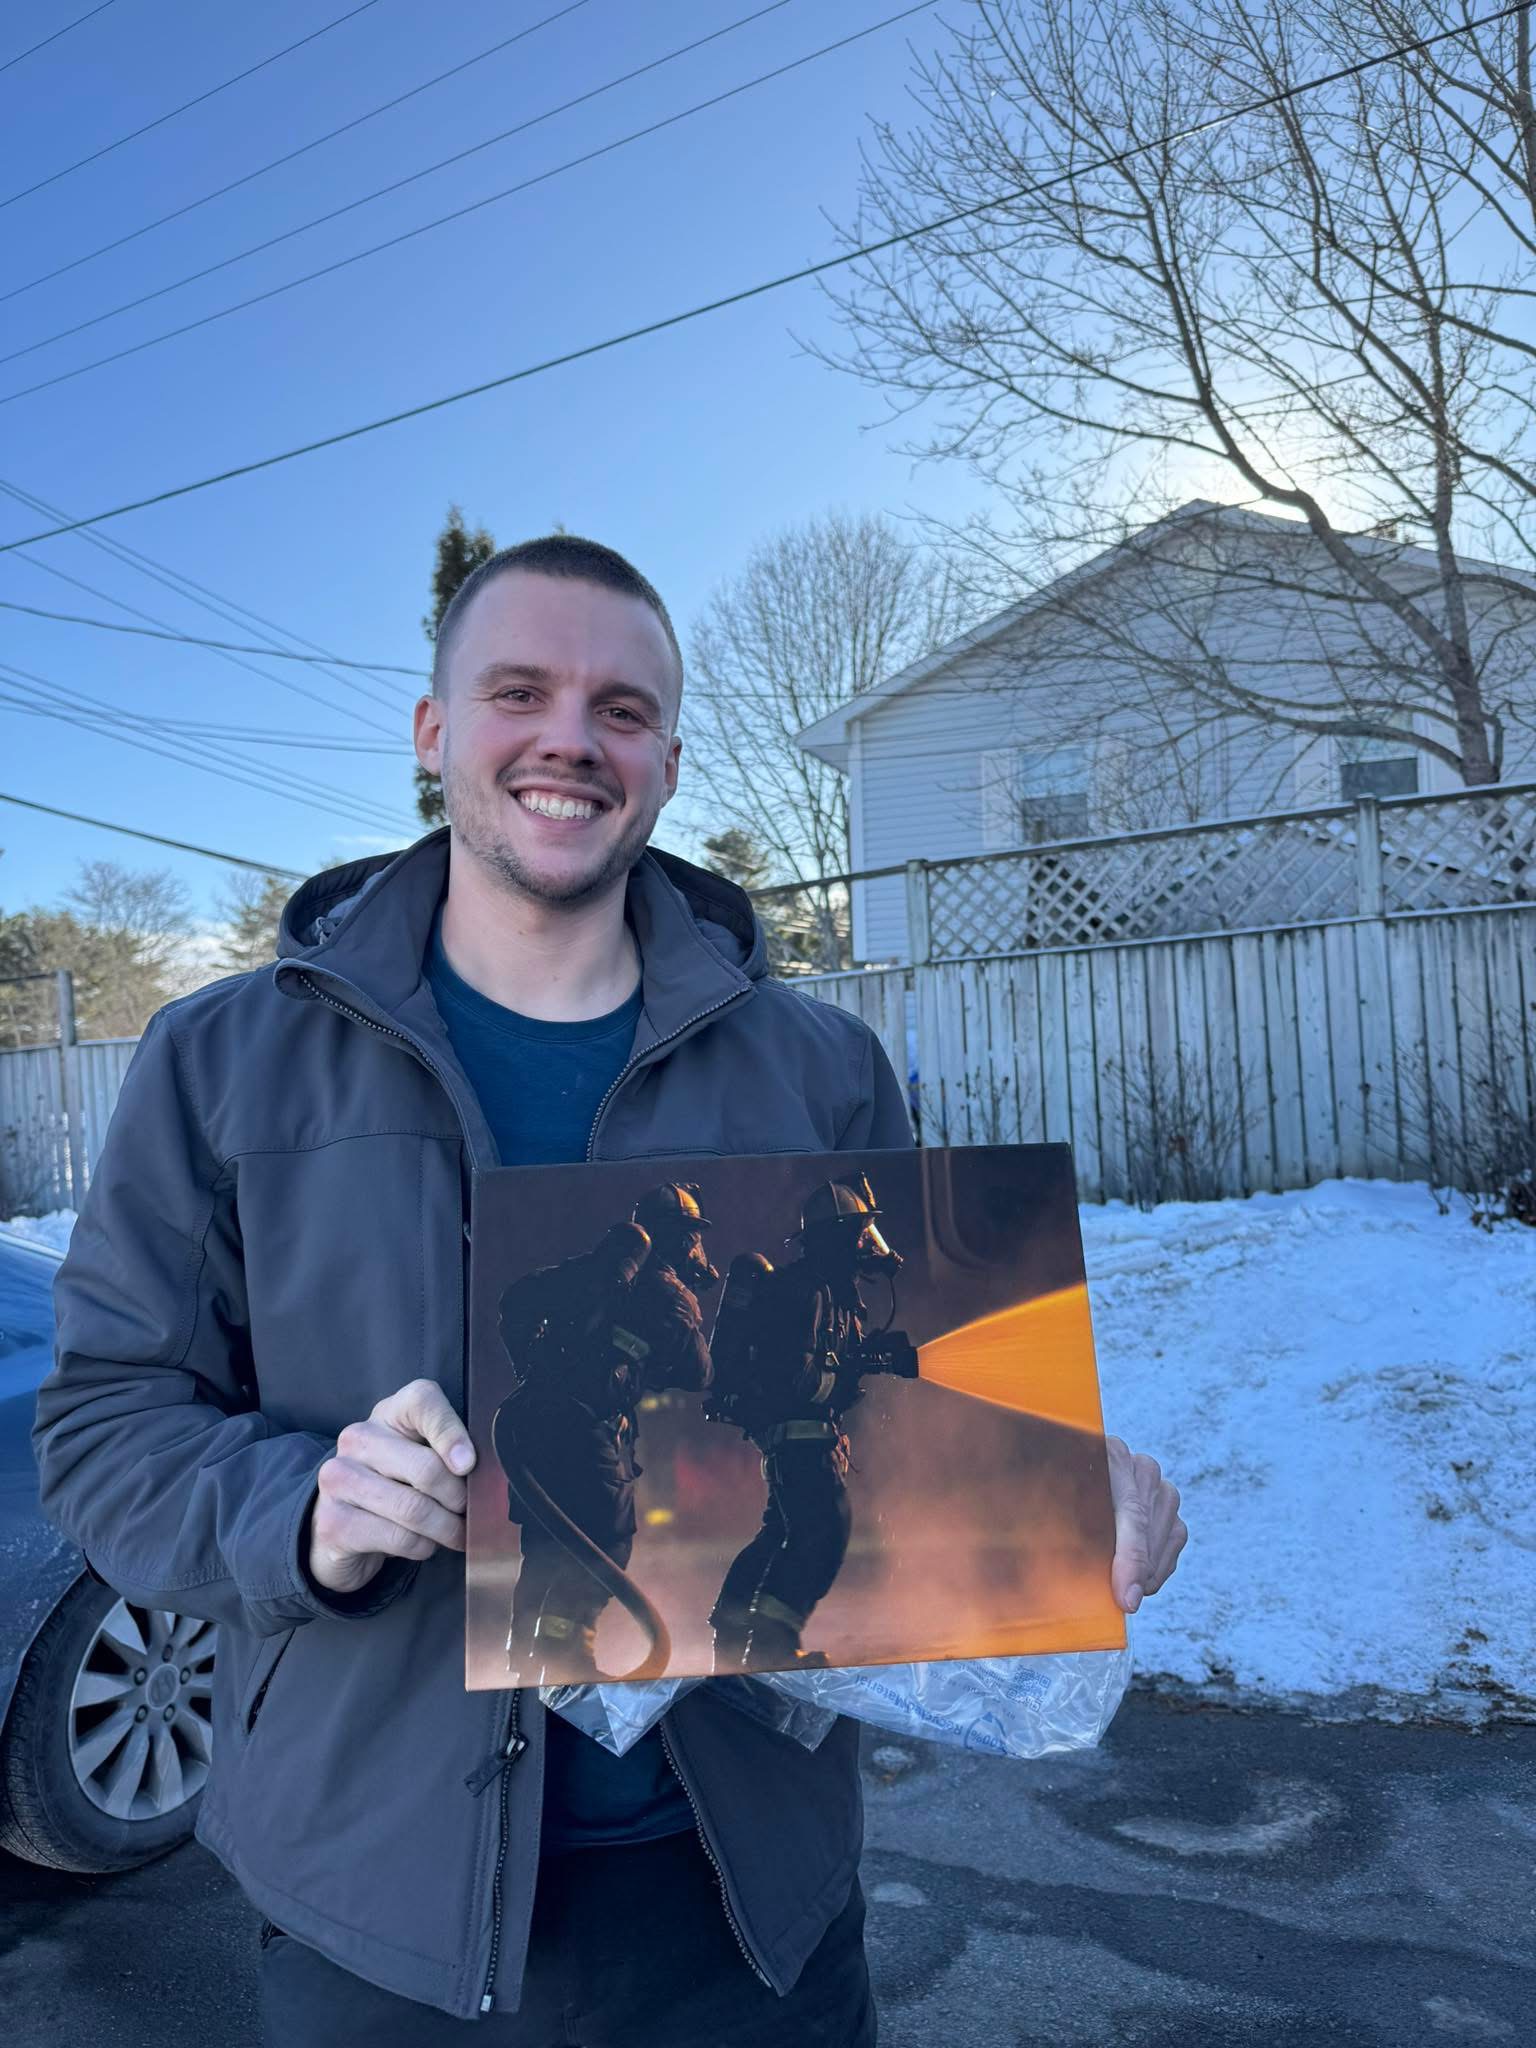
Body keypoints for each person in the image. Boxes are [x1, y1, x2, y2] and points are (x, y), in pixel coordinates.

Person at [34, 535, 1187, 2045]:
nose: (570, 738)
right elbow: (104, 1428)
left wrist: (1051, 1482)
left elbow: (893, 1398)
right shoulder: (224, 1059)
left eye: (622, 709)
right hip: (372, 1916)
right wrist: (301, 1510)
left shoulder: (818, 1066)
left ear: (668, 761)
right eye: (519, 691)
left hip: (745, 1905)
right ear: (435, 730)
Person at [707, 1176, 918, 1672]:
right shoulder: (805, 1292)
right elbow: (795, 1378)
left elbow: (830, 1359)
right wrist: (855, 1368)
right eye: (862, 1234)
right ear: (839, 1239)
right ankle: (771, 1646)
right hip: (800, 1439)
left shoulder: (832, 1293)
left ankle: (731, 1636)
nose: (870, 1245)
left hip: (805, 1438)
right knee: (824, 1530)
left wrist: (873, 1355)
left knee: (781, 1532)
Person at [494, 1216, 710, 1683]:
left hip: (533, 1425)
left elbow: (514, 1300)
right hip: (590, 1429)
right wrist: (689, 1306)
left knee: (544, 1543)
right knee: (607, 1541)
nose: (698, 1250)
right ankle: (564, 1651)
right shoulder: (665, 1291)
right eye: (694, 1240)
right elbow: (699, 1373)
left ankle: (522, 1658)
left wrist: (528, 1364)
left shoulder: (583, 1273)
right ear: (680, 1241)